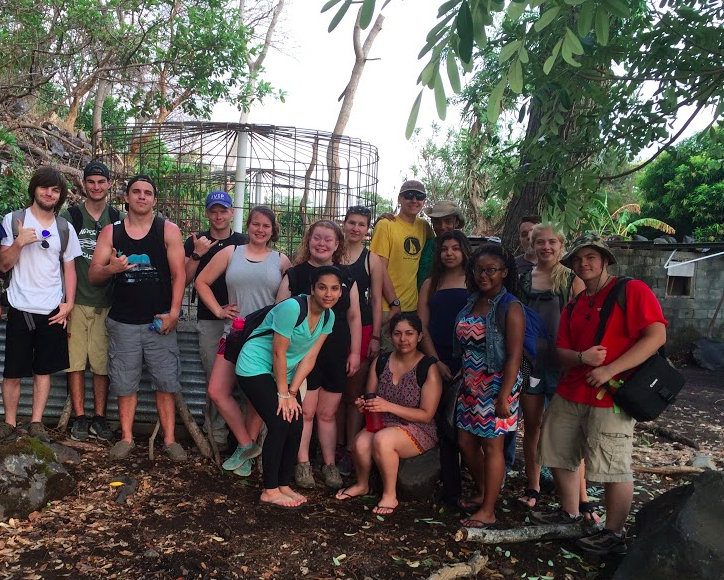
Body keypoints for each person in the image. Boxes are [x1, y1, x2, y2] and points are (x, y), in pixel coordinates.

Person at [536, 234, 666, 556]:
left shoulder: (630, 290)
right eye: (578, 259)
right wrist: (582, 358)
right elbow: (562, 351)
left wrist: (610, 369)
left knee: (612, 464)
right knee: (557, 451)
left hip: (612, 394)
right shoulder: (575, 304)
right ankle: (570, 515)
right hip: (571, 390)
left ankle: (614, 532)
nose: (584, 264)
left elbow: (656, 335)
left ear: (605, 259)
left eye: (591, 257)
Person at [89, 175, 188, 462]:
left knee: (166, 382)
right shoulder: (111, 232)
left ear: (154, 199)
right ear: (127, 197)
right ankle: (127, 438)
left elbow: (179, 274)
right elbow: (94, 274)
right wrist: (112, 268)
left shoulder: (167, 230)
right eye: (136, 192)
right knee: (124, 383)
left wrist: (174, 313)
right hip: (122, 322)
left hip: (159, 322)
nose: (141, 197)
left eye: (147, 192)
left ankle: (169, 440)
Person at [236, 266, 340, 508]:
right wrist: (283, 394)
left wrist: (292, 393)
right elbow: (277, 352)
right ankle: (269, 490)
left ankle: (283, 484)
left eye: (334, 289)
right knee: (280, 422)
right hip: (256, 366)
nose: (328, 294)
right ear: (313, 288)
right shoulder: (292, 308)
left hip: (286, 373)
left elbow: (310, 357)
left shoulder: (328, 316)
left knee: (296, 424)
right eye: (322, 287)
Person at [199, 206, 291, 475]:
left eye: (266, 226)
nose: (260, 230)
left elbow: (291, 299)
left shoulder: (281, 261)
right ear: (248, 226)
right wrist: (218, 310)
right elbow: (202, 281)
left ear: (273, 231)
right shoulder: (231, 252)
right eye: (256, 224)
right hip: (234, 332)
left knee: (255, 399)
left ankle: (245, 455)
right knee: (217, 390)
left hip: (263, 338)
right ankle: (246, 443)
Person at [276, 220, 362, 490]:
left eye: (328, 240)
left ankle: (329, 464)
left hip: (335, 355)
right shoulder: (295, 274)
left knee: (328, 413)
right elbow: (280, 315)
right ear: (308, 240)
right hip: (303, 358)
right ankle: (302, 464)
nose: (322, 244)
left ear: (337, 245)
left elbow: (355, 316)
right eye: (317, 238)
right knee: (307, 412)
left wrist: (356, 352)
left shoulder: (347, 278)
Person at [0, 166, 82, 443]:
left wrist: (69, 304)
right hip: (20, 306)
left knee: (43, 371)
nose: (49, 193)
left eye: (55, 190)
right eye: (45, 187)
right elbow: (3, 263)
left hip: (51, 309)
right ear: (34, 189)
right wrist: (19, 243)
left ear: (60, 197)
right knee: (12, 371)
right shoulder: (13, 221)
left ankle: (36, 422)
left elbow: (69, 269)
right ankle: (9, 423)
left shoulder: (64, 228)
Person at [516, 224, 592, 513]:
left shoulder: (572, 279)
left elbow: (582, 323)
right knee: (532, 426)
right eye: (540, 242)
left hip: (564, 366)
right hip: (531, 362)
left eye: (552, 242)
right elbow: (517, 320)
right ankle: (533, 486)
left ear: (562, 245)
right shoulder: (524, 280)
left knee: (570, 430)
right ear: (532, 245)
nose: (546, 247)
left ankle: (581, 497)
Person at [335, 312, 441, 515]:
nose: (403, 339)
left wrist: (388, 406)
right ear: (390, 336)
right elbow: (371, 396)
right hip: (384, 422)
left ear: (419, 336)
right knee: (360, 442)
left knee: (383, 440)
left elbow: (427, 415)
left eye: (409, 334)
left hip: (417, 427)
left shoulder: (428, 368)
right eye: (397, 334)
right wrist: (364, 403)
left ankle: (390, 495)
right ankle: (362, 484)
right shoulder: (381, 362)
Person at [454, 243, 524, 528]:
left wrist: (504, 396)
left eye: (491, 270)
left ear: (504, 273)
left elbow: (514, 355)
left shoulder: (511, 306)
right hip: (470, 383)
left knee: (492, 447)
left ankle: (489, 509)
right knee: (466, 442)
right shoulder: (472, 301)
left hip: (497, 384)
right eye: (479, 270)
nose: (484, 275)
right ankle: (485, 491)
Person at [60, 161, 123, 442]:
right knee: (74, 363)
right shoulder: (71, 217)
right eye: (91, 182)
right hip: (75, 300)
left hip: (107, 302)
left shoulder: (118, 219)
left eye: (101, 181)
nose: (96, 187)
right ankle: (80, 417)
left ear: (110, 184)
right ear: (83, 184)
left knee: (101, 364)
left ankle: (99, 417)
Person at [183, 191, 248, 451]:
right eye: (214, 211)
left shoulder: (243, 242)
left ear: (232, 212)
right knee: (215, 381)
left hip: (241, 320)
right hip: (210, 319)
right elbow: (186, 280)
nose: (219, 215)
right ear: (207, 213)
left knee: (246, 378)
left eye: (224, 210)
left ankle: (243, 435)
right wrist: (197, 254)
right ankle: (216, 435)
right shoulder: (196, 241)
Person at [417, 230, 471, 508]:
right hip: (436, 360)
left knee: (463, 428)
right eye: (444, 249)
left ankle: (477, 487)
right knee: (442, 424)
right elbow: (421, 326)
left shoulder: (476, 281)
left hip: (471, 365)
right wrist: (435, 360)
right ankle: (450, 491)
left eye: (455, 248)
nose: (449, 253)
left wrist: (468, 364)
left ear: (464, 251)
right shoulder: (431, 283)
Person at [336, 206, 384, 473]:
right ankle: (335, 444)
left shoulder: (371, 260)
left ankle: (352, 448)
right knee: (335, 390)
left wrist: (376, 334)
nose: (355, 228)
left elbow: (377, 300)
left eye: (361, 224)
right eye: (351, 222)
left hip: (362, 328)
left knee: (354, 392)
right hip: (331, 328)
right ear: (344, 224)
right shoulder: (332, 251)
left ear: (367, 230)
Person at [370, 180, 434, 353]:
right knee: (386, 360)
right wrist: (394, 303)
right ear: (399, 199)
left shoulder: (424, 226)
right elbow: (379, 267)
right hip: (388, 307)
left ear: (424, 201)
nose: (414, 200)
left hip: (413, 307)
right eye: (409, 195)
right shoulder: (386, 225)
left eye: (419, 196)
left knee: (408, 361)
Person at [417, 200, 466, 289]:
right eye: (437, 222)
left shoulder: (463, 248)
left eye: (448, 222)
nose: (442, 227)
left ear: (456, 223)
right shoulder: (425, 243)